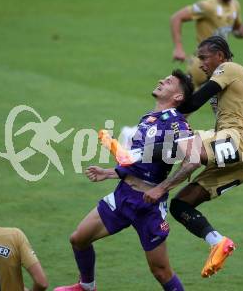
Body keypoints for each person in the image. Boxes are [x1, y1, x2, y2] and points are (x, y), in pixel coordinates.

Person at [54, 70, 195, 291]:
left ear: (177, 97)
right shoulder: (148, 118)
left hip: (149, 206)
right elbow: (137, 160)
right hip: (123, 196)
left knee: (160, 271)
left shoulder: (176, 123)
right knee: (78, 239)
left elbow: (192, 160)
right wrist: (111, 172)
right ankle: (87, 286)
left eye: (168, 82)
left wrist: (162, 188)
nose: (160, 81)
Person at [143, 35, 243, 278]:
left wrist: (169, 103)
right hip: (242, 163)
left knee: (187, 148)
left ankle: (132, 156)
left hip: (240, 140)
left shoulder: (229, 68)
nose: (201, 63)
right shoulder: (227, 76)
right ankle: (217, 242)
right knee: (180, 204)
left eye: (204, 57)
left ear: (220, 55)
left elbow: (194, 102)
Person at [170, 0, 243, 114]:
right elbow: (176, 17)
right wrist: (178, 48)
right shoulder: (207, 6)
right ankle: (156, 127)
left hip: (221, 64)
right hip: (202, 65)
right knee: (183, 107)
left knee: (225, 105)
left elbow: (235, 29)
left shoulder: (235, 5)